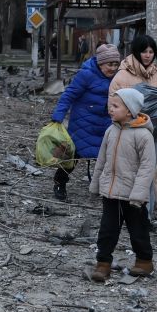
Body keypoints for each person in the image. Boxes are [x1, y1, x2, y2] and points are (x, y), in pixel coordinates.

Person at [87, 88, 157, 282]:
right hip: (111, 193)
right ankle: (103, 264)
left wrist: (139, 193)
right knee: (107, 230)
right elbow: (101, 159)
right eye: (110, 105)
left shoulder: (143, 135)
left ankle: (144, 261)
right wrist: (95, 185)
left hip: (133, 196)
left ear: (130, 111)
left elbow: (147, 167)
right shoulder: (111, 130)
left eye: (116, 106)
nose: (111, 109)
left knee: (138, 230)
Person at [109, 35, 157, 218]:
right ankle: (126, 213)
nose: (148, 55)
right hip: (128, 134)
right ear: (136, 52)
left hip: (153, 134)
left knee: (149, 174)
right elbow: (112, 104)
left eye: (151, 52)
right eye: (144, 51)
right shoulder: (123, 75)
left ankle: (145, 215)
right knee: (128, 173)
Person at [49, 44, 121, 201]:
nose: (113, 68)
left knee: (108, 157)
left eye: (116, 64)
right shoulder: (86, 75)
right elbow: (69, 95)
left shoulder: (118, 78)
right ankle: (59, 182)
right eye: (110, 64)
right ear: (100, 63)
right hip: (83, 123)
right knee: (73, 155)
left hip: (106, 123)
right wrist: (58, 115)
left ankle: (107, 188)